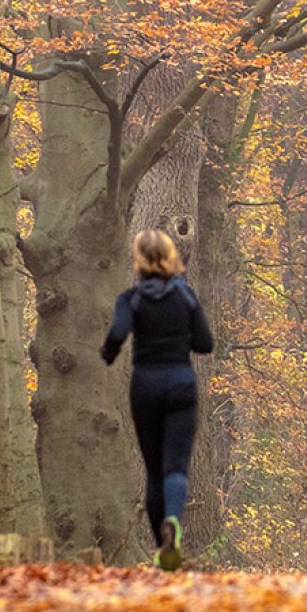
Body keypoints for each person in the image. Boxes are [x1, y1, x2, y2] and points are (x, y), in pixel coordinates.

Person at [100, 229, 214, 571]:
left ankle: (162, 548)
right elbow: (205, 343)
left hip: (146, 386)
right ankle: (173, 526)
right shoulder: (186, 297)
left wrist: (108, 352)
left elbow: (117, 336)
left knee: (153, 471)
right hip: (181, 384)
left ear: (138, 259)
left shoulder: (131, 299)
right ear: (170, 257)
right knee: (175, 466)